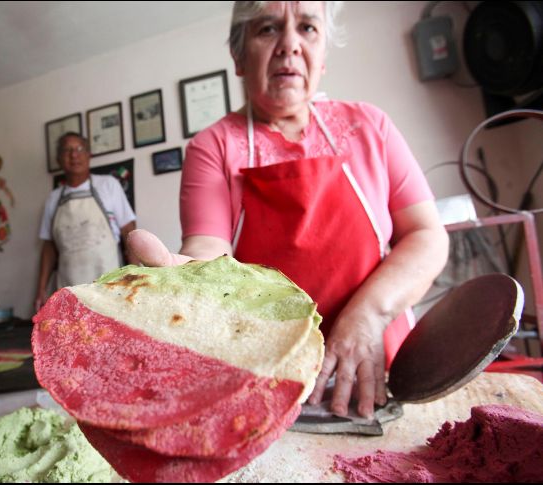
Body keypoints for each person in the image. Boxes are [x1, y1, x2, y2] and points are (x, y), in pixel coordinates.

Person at [127, 1, 449, 419]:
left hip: (379, 361)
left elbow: (427, 235)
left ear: (323, 56)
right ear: (238, 56)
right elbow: (209, 248)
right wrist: (187, 274)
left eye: (308, 28)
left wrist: (369, 314)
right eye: (268, 29)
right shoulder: (213, 146)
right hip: (273, 377)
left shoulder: (371, 126)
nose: (290, 45)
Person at [35, 132, 137, 312]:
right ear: (59, 159)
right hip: (69, 290)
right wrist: (41, 289)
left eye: (79, 149)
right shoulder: (53, 198)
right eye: (67, 150)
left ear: (89, 155)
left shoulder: (108, 185)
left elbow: (128, 232)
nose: (74, 155)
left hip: (109, 287)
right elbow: (49, 247)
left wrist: (136, 276)